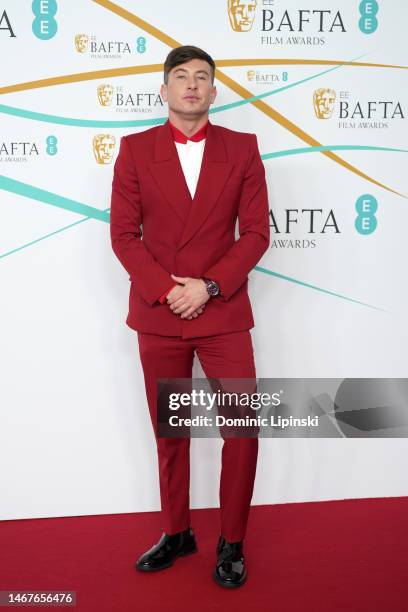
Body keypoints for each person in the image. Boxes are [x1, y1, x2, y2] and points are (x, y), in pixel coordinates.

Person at [110, 45, 270, 588]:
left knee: (243, 429)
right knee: (170, 433)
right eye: (182, 77)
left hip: (223, 312)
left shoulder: (243, 149)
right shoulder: (133, 151)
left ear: (214, 92)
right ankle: (177, 532)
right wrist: (167, 291)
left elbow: (255, 234)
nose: (193, 85)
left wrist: (209, 286)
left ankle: (232, 540)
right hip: (159, 313)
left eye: (203, 77)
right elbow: (124, 237)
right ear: (164, 90)